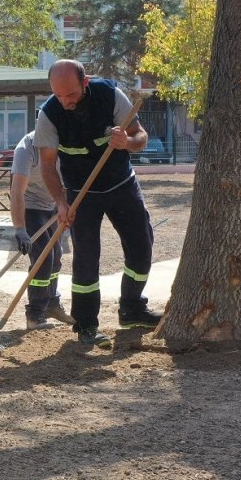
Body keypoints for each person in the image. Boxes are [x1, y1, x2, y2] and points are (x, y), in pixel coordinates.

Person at [35, 59, 163, 347]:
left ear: (85, 82)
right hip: (80, 193)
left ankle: (132, 308)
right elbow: (47, 164)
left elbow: (140, 136)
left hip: (121, 184)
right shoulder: (49, 114)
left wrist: (127, 143)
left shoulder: (111, 95)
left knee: (142, 245)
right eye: (59, 95)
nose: (65, 101)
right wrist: (61, 202)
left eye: (71, 94)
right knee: (86, 259)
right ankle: (86, 325)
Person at [9, 129, 76, 330]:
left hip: (54, 205)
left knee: (56, 256)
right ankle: (35, 314)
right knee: (43, 258)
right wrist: (20, 229)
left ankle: (51, 305)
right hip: (29, 205)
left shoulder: (67, 142)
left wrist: (65, 205)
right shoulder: (26, 148)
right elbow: (17, 192)